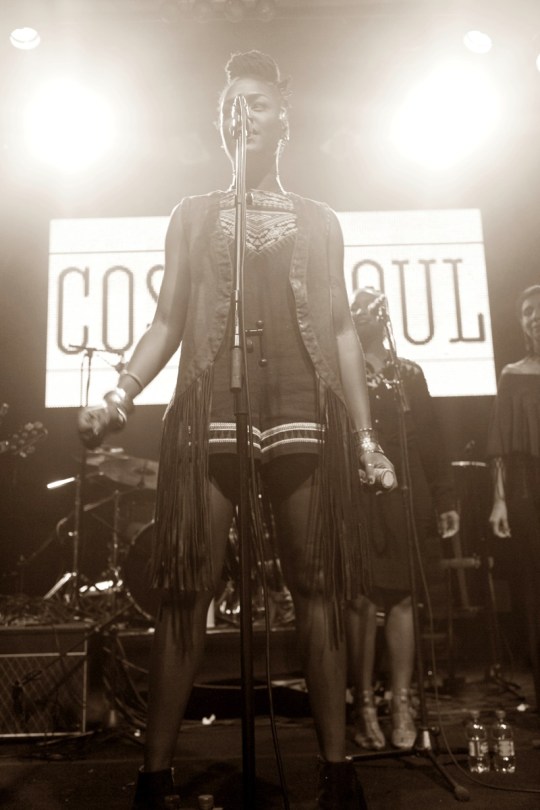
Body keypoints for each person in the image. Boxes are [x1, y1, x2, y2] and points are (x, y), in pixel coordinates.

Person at [77, 51, 395, 810]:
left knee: (317, 587)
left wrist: (365, 436)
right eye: (231, 104)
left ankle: (337, 770)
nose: (240, 113)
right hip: (208, 403)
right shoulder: (191, 214)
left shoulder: (321, 220)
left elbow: (341, 330)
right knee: (186, 587)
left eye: (256, 102)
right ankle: (154, 777)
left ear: (284, 118)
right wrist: (118, 395)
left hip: (302, 404)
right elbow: (167, 321)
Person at [345, 287, 459, 750]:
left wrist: (445, 497)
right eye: (358, 306)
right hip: (358, 491)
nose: (367, 311)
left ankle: (402, 702)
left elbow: (430, 437)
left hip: (406, 492)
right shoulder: (340, 370)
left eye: (374, 305)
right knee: (360, 598)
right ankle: (363, 706)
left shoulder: (407, 373)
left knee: (404, 596)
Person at [487, 284, 540, 709]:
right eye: (527, 311)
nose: (534, 316)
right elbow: (500, 445)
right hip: (527, 486)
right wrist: (499, 500)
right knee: (535, 589)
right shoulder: (513, 373)